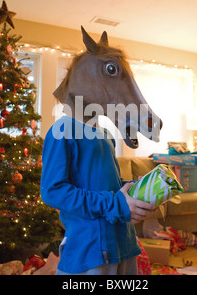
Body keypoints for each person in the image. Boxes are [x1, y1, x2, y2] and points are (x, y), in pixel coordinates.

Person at [40, 115, 155, 275]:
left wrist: (140, 190)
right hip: (91, 249)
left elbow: (112, 186)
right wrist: (116, 204)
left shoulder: (106, 134)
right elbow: (53, 191)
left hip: (125, 244)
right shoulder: (63, 129)